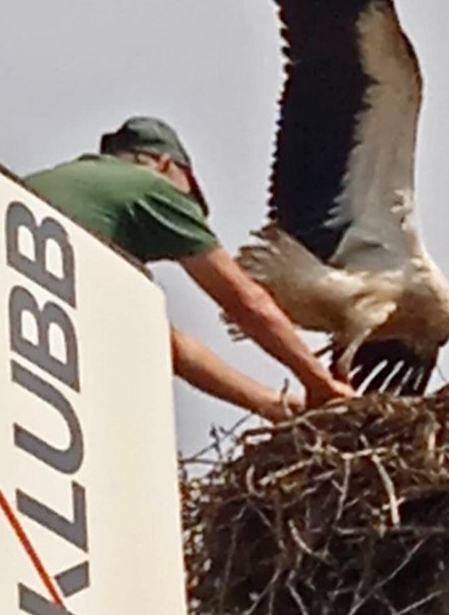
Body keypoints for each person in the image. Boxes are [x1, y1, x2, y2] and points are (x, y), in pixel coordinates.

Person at [25, 117, 354, 421]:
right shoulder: (152, 188)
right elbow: (246, 302)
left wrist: (270, 403)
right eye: (188, 196)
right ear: (165, 165)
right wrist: (320, 383)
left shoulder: (45, 189)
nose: (188, 209)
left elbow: (167, 345)